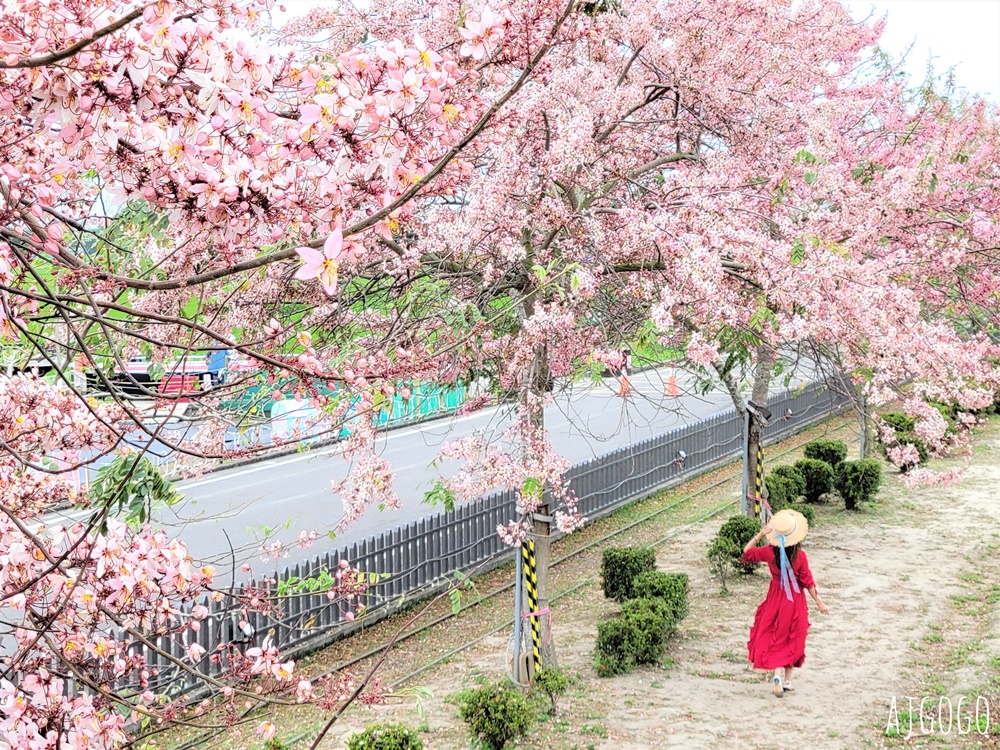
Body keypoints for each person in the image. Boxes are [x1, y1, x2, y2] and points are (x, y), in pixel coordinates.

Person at [741, 508, 829, 697]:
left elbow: (746, 553)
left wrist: (760, 534)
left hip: (775, 597)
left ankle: (777, 674)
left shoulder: (769, 552)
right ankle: (787, 680)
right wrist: (819, 602)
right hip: (794, 600)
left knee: (774, 633)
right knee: (793, 637)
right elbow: (808, 581)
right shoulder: (800, 556)